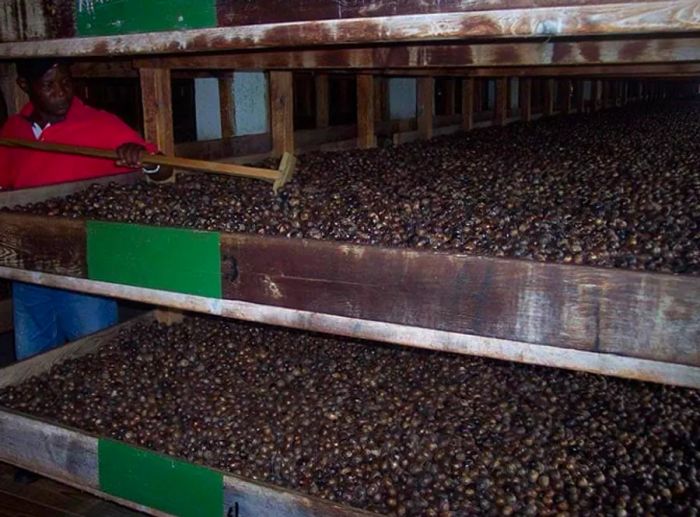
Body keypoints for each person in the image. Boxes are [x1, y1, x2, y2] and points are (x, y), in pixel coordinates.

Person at [0, 58, 171, 360]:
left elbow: (163, 170)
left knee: (95, 354)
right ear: (25, 86)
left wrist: (145, 158)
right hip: (27, 266)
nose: (62, 92)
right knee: (31, 358)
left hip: (84, 264)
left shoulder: (100, 123)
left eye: (66, 82)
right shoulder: (12, 131)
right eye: (49, 85)